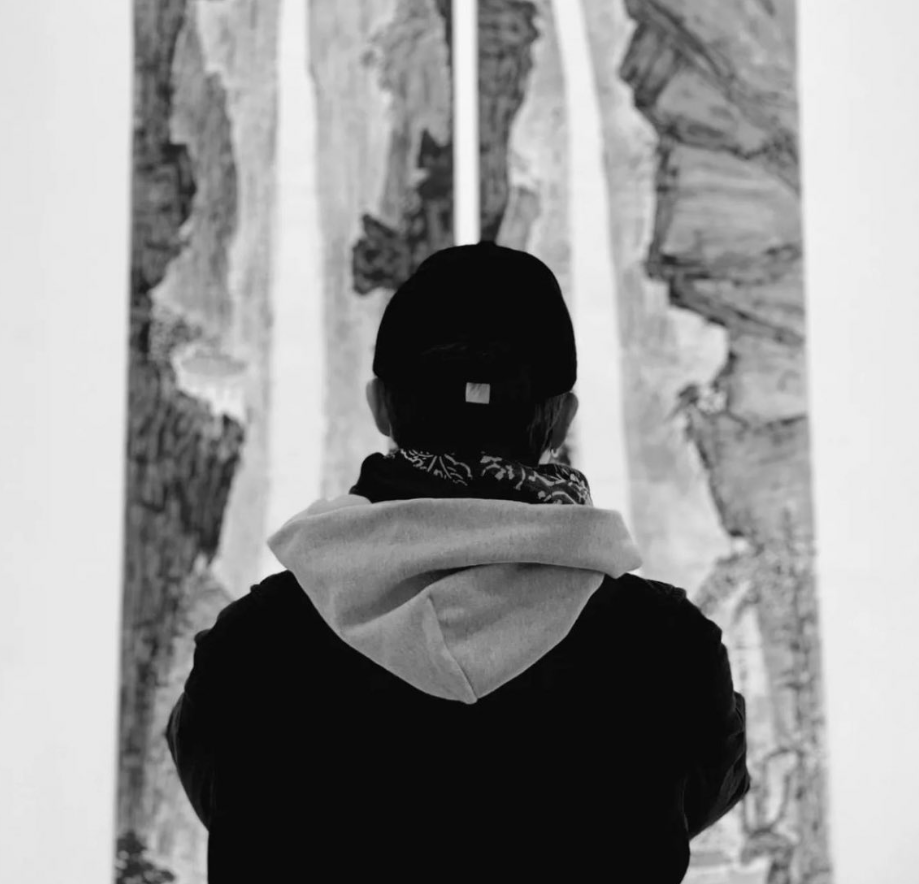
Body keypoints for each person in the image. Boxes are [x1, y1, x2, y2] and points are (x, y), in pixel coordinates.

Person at [167, 242, 750, 881]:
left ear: (379, 405)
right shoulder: (670, 648)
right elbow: (701, 794)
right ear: (563, 420)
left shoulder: (251, 645)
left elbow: (218, 795)